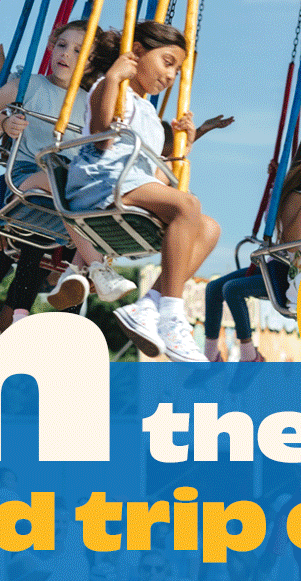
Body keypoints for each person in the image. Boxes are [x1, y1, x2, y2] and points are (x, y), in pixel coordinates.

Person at [63, 21, 222, 363]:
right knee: (187, 205)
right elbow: (103, 137)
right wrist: (114, 79)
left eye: (177, 71)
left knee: (209, 229)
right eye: (168, 63)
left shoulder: (149, 110)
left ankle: (149, 307)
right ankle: (172, 314)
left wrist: (182, 150)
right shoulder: (111, 88)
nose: (170, 76)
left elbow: (158, 174)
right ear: (136, 53)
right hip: (101, 182)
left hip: (131, 183)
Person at [0, 21, 134, 314]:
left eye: (79, 50)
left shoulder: (92, 102)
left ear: (92, 62)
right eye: (62, 45)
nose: (66, 54)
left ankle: (80, 273)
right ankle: (95, 266)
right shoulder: (30, 85)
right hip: (25, 181)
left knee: (100, 193)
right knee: (59, 181)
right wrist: (4, 123)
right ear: (51, 46)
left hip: (66, 190)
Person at [203, 130, 301, 361]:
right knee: (214, 289)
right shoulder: (300, 198)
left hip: (292, 273)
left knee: (230, 289)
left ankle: (247, 354)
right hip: (284, 269)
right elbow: (291, 242)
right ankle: (210, 356)